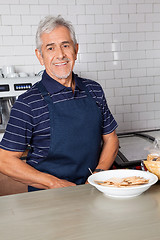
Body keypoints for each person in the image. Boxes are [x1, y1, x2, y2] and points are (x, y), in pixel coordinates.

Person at [0, 15, 119, 192]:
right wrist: (54, 183)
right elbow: (4, 160)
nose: (60, 55)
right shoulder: (28, 103)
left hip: (93, 190)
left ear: (76, 50)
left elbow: (111, 138)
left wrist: (97, 176)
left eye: (65, 45)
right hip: (48, 197)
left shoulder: (94, 90)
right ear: (40, 56)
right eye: (50, 48)